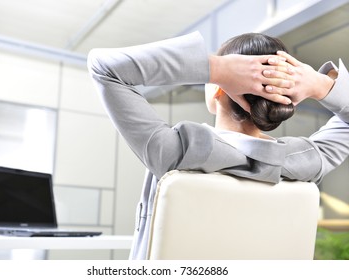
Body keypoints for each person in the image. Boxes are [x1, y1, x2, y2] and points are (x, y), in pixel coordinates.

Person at [87, 32, 349, 259]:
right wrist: (320, 84)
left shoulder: (176, 152)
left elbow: (104, 67)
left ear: (217, 90)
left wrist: (217, 68)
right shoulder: (305, 162)